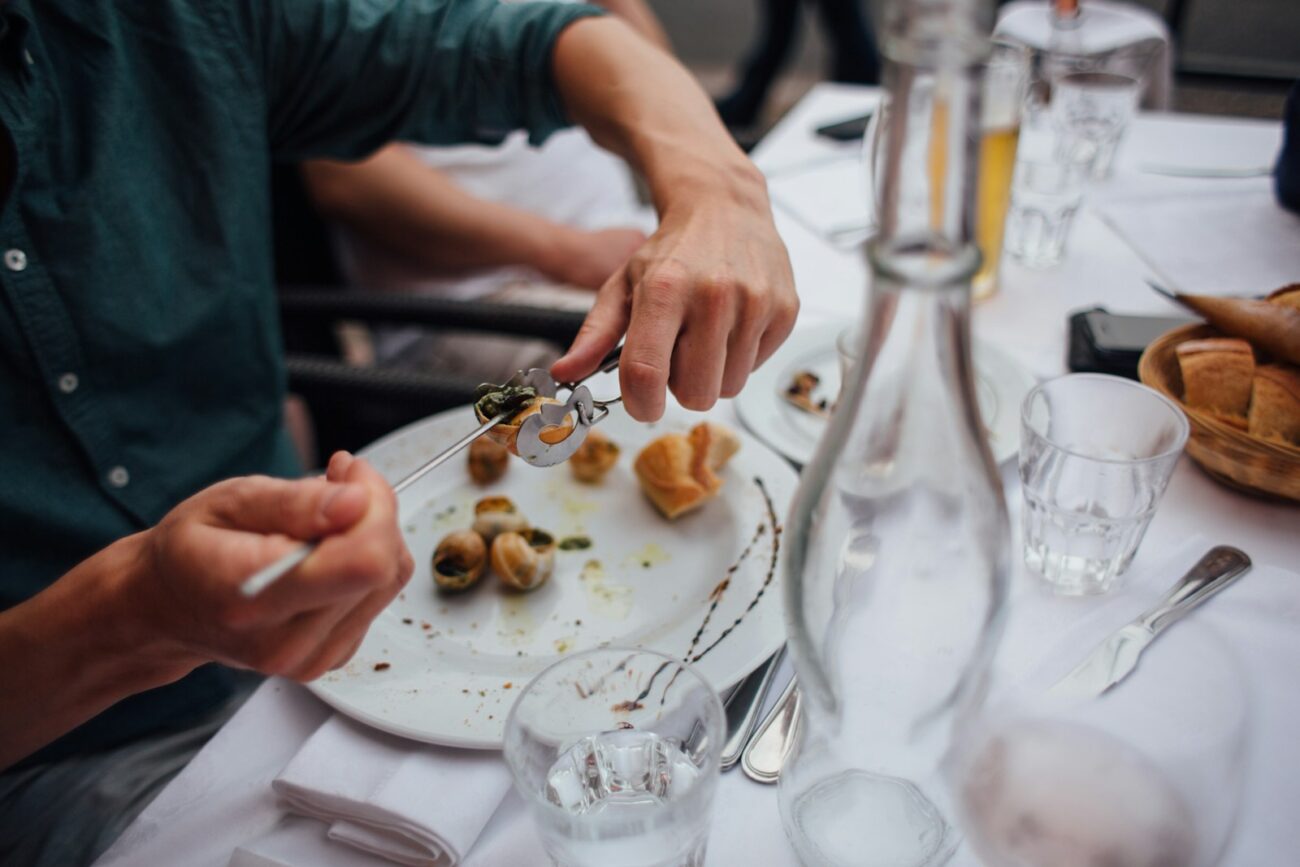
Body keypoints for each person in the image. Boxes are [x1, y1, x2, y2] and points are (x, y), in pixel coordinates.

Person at [0, 1, 797, 864]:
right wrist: (135, 615)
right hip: (74, 758)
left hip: (340, 655)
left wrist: (720, 189)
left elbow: (533, 43)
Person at [301, 0, 671, 382]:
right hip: (478, 300)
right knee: (670, 358)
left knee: (719, 322)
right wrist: (566, 252)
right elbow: (344, 178)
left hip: (623, 242)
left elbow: (659, 96)